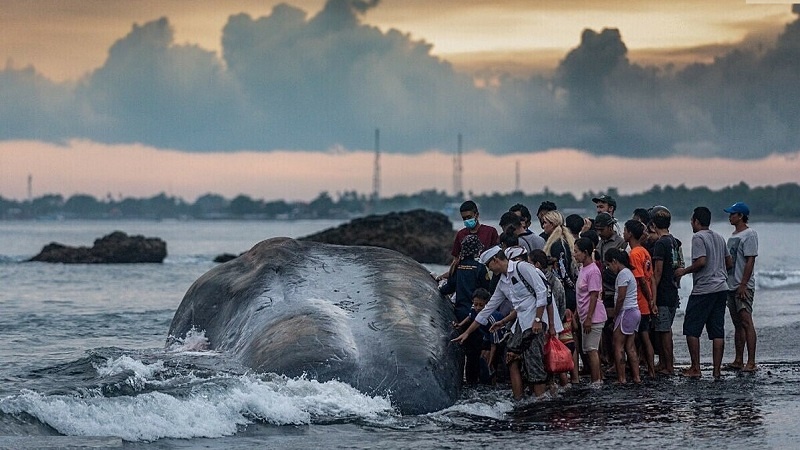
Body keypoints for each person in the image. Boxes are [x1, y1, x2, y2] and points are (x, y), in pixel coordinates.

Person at [452, 246, 562, 399]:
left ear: (496, 260)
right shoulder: (503, 281)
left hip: (535, 322)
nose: (489, 270)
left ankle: (541, 399)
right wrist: (467, 332)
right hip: (521, 323)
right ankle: (520, 398)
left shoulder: (522, 267)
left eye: (489, 265)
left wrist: (539, 320)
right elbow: (488, 308)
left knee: (534, 362)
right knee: (511, 357)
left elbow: (542, 292)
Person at [675, 207, 731, 380]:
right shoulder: (719, 237)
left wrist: (684, 272)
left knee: (691, 328)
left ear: (697, 221)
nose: (691, 224)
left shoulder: (698, 237)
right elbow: (729, 262)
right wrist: (718, 270)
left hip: (704, 289)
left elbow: (701, 262)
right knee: (717, 330)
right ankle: (716, 371)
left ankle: (695, 368)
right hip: (721, 288)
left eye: (692, 221)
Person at [440, 234, 491, 384]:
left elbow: (448, 288)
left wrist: (437, 284)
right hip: (477, 313)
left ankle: (460, 381)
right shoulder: (481, 269)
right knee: (475, 351)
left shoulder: (457, 267)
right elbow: (487, 291)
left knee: (462, 347)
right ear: (476, 250)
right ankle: (473, 383)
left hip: (460, 314)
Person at [723, 201, 759, 372]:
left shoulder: (749, 234)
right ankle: (738, 359)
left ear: (741, 216)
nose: (730, 216)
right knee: (737, 324)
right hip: (731, 285)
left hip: (742, 285)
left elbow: (750, 260)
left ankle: (751, 362)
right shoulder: (733, 235)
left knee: (746, 322)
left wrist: (743, 284)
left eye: (732, 214)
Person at [649, 205, 681, 376]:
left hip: (663, 293)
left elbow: (657, 273)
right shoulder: (674, 241)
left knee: (664, 330)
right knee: (664, 329)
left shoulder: (661, 243)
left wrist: (652, 298)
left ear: (653, 224)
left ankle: (668, 366)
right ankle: (664, 363)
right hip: (672, 290)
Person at [452, 288, 508, 384]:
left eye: (481, 305)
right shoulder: (474, 309)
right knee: (481, 357)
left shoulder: (492, 318)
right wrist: (460, 324)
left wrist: (490, 363)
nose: (477, 308)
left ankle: (493, 378)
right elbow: (470, 317)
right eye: (475, 304)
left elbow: (494, 344)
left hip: (498, 336)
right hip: (485, 335)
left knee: (491, 359)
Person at [624, 219, 656, 378]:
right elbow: (652, 279)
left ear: (630, 234)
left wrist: (649, 299)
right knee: (645, 337)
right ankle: (651, 370)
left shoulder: (634, 254)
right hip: (646, 302)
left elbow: (642, 279)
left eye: (624, 231)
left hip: (638, 302)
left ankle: (641, 372)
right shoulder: (644, 251)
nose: (623, 233)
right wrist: (653, 300)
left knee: (637, 339)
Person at [605, 248, 642, 384]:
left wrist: (615, 314)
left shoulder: (622, 274)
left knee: (618, 346)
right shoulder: (629, 273)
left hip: (626, 311)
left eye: (609, 265)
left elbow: (621, 297)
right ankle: (636, 377)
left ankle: (622, 378)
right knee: (630, 347)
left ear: (615, 261)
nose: (609, 268)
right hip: (634, 312)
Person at [594, 212, 627, 368]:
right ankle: (609, 358)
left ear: (610, 227)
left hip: (615, 291)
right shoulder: (599, 244)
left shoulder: (620, 243)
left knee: (616, 327)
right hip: (603, 291)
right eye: (597, 230)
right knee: (605, 328)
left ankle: (618, 361)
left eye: (602, 230)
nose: (599, 233)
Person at [573, 237, 606, 384]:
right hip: (584, 314)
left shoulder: (593, 271)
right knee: (590, 349)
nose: (574, 254)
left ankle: (596, 381)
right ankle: (598, 378)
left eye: (577, 252)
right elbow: (581, 295)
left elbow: (594, 296)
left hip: (593, 316)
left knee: (591, 349)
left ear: (585, 253)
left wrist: (588, 318)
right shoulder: (583, 268)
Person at [440, 200, 499, 281]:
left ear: (476, 215)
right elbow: (456, 260)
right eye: (464, 218)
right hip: (466, 276)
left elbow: (498, 256)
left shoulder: (490, 232)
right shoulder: (461, 234)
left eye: (469, 217)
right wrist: (445, 276)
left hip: (486, 275)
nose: (467, 220)